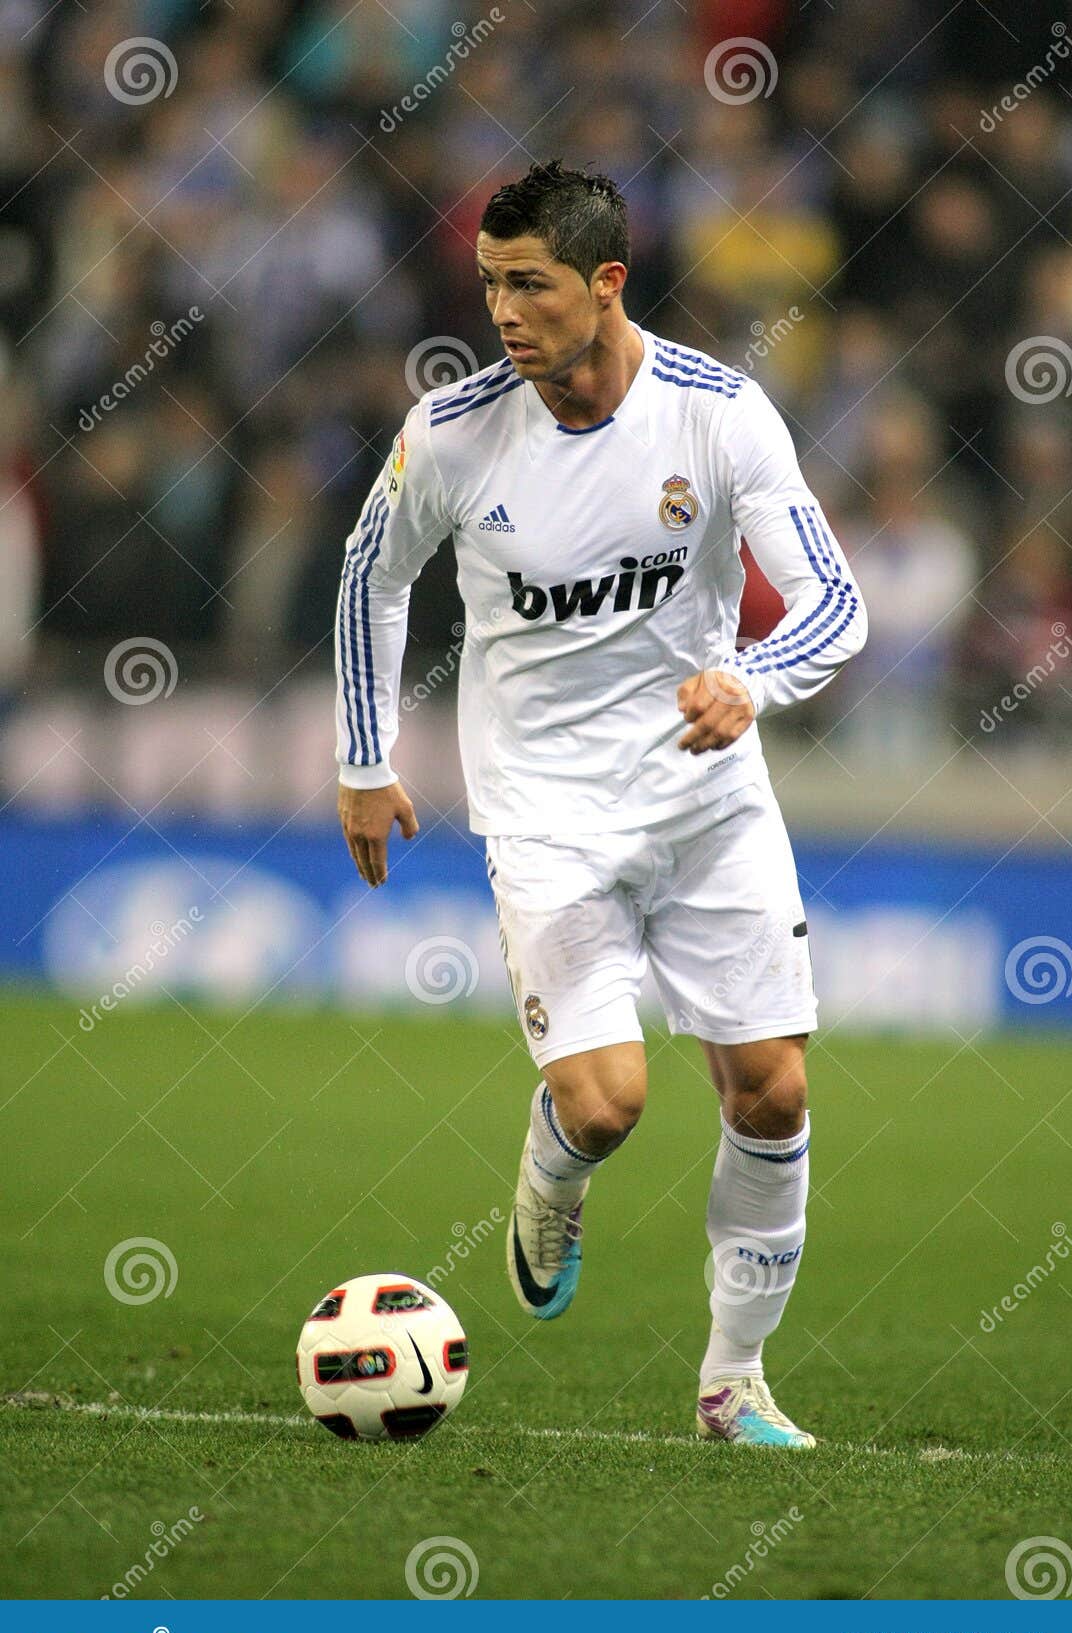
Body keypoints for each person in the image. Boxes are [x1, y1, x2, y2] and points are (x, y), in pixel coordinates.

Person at [334, 162, 867, 1448]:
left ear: (606, 281)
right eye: (489, 285)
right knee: (605, 1104)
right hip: (545, 814)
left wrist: (749, 681)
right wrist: (364, 758)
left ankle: (732, 1381)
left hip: (704, 801)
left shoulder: (717, 415)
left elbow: (835, 603)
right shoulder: (451, 433)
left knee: (772, 1093)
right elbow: (369, 576)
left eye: (530, 285)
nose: (503, 313)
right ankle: (552, 1168)